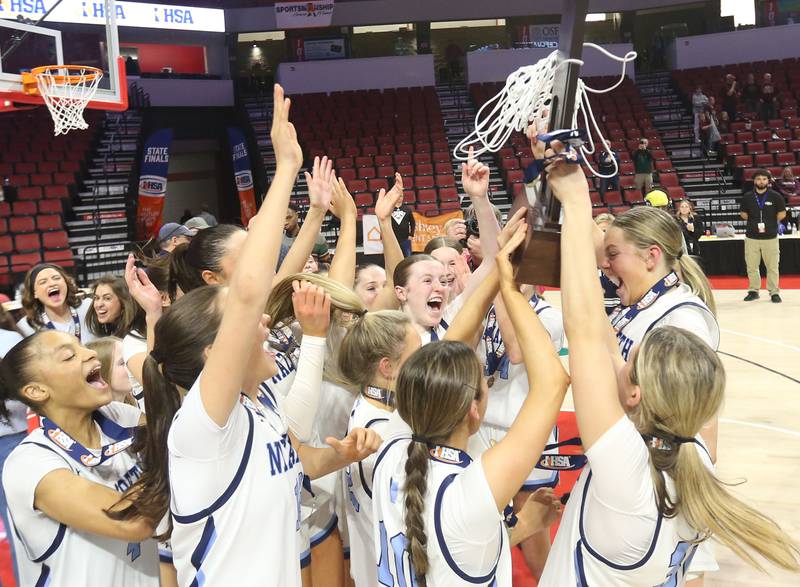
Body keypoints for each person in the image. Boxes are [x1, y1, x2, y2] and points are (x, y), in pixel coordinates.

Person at [110, 85, 380, 587]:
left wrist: (344, 453)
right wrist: (283, 170)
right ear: (218, 352)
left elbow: (302, 462)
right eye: (241, 316)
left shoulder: (259, 409)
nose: (261, 321)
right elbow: (254, 293)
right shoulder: (203, 424)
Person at [535, 135, 800, 586]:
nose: (606, 265)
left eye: (615, 256)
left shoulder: (683, 322)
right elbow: (594, 325)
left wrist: (577, 199)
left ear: (652, 256)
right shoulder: (645, 306)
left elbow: (588, 337)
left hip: (642, 487)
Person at [371, 226, 569, 586]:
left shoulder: (393, 448)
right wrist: (510, 290)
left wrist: (498, 270)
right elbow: (554, 382)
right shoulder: (472, 488)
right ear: (473, 410)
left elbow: (456, 336)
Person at [0, 331, 159, 586]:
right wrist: (166, 453)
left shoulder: (115, 415)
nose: (91, 353)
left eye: (81, 346)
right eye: (69, 356)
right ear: (37, 390)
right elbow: (133, 521)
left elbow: (177, 434)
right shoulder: (29, 463)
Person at [336, 310, 421, 586]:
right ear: (388, 367)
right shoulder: (386, 435)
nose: (424, 364)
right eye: (417, 356)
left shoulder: (365, 406)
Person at [0, 307, 25, 584]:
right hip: (11, 441)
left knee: (20, 528)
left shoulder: (9, 340)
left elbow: (27, 392)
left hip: (9, 442)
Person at [17, 264, 96, 344]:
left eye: (56, 278)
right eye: (43, 282)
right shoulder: (27, 326)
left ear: (66, 283)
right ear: (35, 293)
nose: (52, 284)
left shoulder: (89, 307)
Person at [740, 169, 786, 303]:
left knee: (772, 266)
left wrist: (770, 223)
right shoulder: (747, 196)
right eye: (759, 179)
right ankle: (754, 290)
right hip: (752, 237)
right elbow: (743, 214)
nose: (761, 181)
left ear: (768, 181)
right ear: (754, 181)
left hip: (770, 237)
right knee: (752, 266)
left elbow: (782, 214)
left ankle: (774, 292)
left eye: (764, 179)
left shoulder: (776, 196)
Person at [86, 337, 136, 406]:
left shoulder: (137, 405)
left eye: (129, 359)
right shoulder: (95, 415)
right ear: (101, 373)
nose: (132, 365)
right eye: (122, 363)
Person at [389, 190, 415, 257]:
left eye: (401, 196)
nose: (400, 198)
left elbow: (412, 222)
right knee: (393, 257)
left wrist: (411, 234)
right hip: (393, 238)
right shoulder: (389, 209)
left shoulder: (407, 209)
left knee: (408, 256)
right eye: (398, 196)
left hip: (405, 238)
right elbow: (385, 223)